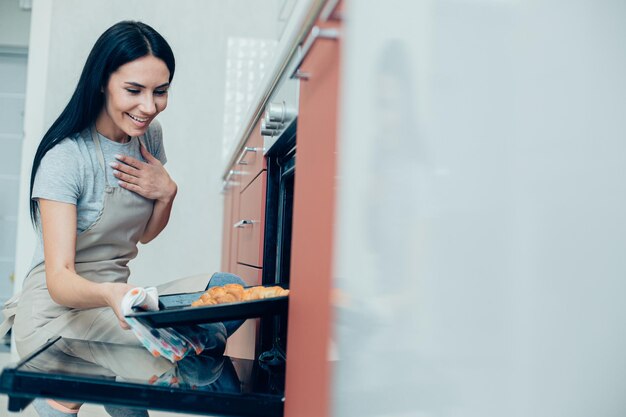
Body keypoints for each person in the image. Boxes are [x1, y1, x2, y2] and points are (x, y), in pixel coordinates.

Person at [0, 20, 244, 417]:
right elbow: (59, 281)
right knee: (174, 354)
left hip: (121, 302)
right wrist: (113, 295)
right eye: (134, 90)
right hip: (58, 312)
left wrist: (167, 194)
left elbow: (144, 235)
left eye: (160, 91)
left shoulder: (148, 136)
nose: (148, 106)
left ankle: (103, 375)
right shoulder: (65, 159)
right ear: (101, 82)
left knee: (229, 289)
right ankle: (70, 388)